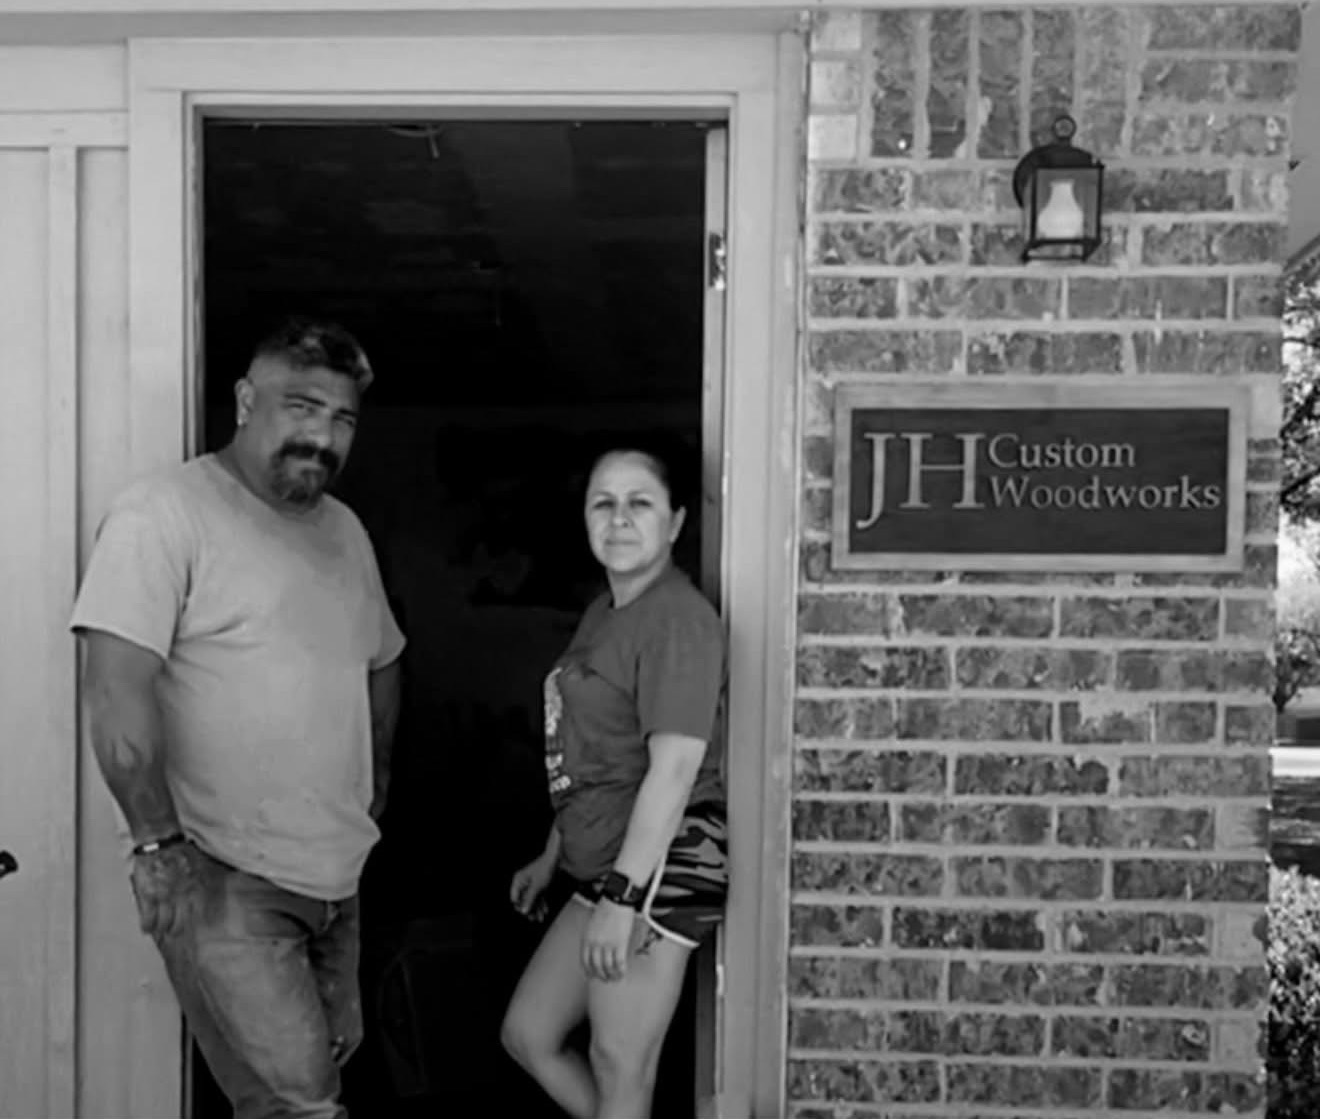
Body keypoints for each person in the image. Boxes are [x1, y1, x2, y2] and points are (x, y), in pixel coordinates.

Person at [70, 317, 405, 1119]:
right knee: (299, 1107)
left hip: (335, 875)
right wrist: (156, 844)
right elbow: (115, 687)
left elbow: (382, 657)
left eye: (342, 418)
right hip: (223, 875)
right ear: (247, 401)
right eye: (301, 407)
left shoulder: (344, 531)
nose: (322, 436)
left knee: (316, 1086)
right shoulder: (164, 514)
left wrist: (374, 781)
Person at [500, 438, 728, 1119]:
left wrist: (624, 898)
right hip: (604, 857)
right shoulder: (607, 610)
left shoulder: (678, 620)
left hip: (660, 859)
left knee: (620, 1062)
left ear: (675, 522)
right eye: (603, 503)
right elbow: (595, 750)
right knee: (530, 1033)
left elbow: (675, 768)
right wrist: (553, 853)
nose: (619, 518)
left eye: (640, 503)